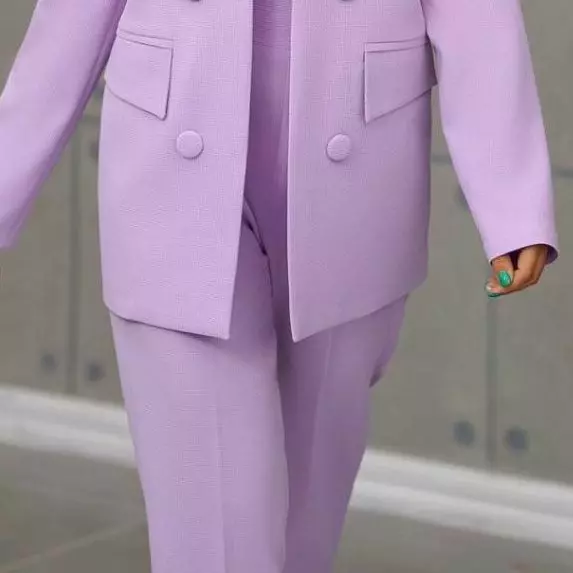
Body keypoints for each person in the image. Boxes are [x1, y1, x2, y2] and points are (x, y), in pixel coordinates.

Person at [0, 0, 559, 572]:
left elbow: (476, 15)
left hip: (359, 172)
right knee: (215, 535)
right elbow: (69, 20)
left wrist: (512, 202)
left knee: (303, 530)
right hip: (167, 169)